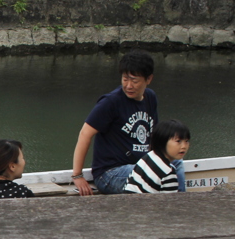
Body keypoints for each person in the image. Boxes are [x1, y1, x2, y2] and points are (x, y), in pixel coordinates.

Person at [71, 50, 184, 195]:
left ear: (148, 79)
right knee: (159, 171)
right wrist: (78, 175)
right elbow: (85, 134)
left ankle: (180, 202)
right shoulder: (111, 102)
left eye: (135, 80)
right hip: (110, 173)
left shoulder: (150, 98)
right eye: (125, 79)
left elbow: (155, 136)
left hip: (141, 164)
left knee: (176, 163)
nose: (129, 85)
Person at [124, 119, 191, 193]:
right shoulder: (168, 173)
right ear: (162, 141)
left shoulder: (147, 157)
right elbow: (171, 203)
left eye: (186, 141)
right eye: (178, 141)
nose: (184, 146)